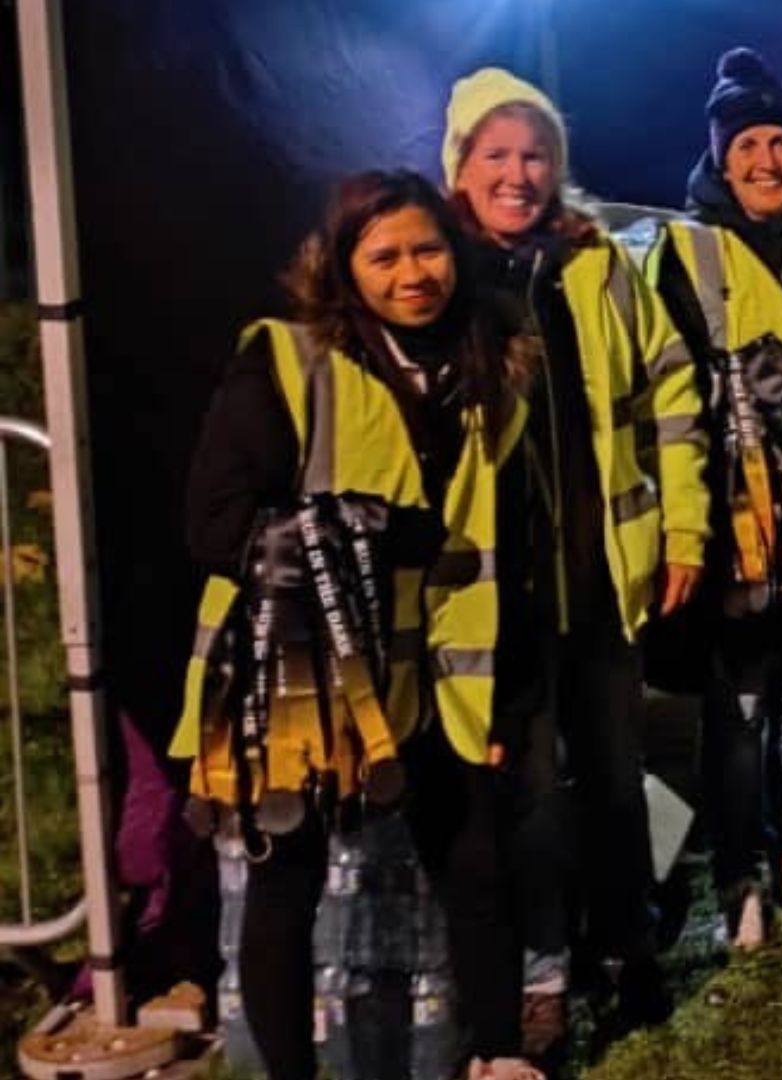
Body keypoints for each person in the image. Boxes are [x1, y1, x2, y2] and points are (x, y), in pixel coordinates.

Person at [176, 170, 543, 1080]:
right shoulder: (287, 359)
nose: (411, 273)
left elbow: (510, 540)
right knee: (285, 881)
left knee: (477, 859)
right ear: (343, 269)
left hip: (431, 679)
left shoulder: (492, 363)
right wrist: (374, 534)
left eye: (426, 250)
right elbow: (215, 526)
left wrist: (515, 692)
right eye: (383, 256)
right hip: (293, 678)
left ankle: (497, 1057)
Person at [441, 67, 710, 1047]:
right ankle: (543, 971)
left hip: (599, 580)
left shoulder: (597, 266)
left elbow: (674, 394)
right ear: (460, 163)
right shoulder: (440, 273)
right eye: (497, 153)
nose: (519, 173)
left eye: (536, 153)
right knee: (524, 797)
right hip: (492, 598)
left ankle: (630, 951)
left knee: (611, 772)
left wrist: (684, 529)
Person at [648, 47, 782, 947]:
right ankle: (737, 876)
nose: (765, 160)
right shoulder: (682, 251)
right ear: (718, 159)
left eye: (778, 141)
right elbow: (667, 385)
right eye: (746, 146)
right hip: (731, 521)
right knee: (737, 704)